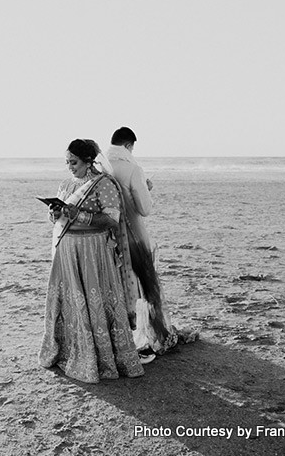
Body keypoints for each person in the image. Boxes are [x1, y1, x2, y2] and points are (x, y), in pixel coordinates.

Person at [38, 139, 145, 383]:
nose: (69, 167)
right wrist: (54, 213)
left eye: (73, 162)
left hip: (92, 250)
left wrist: (78, 214)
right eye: (67, 162)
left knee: (95, 299)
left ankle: (102, 357)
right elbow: (58, 217)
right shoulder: (66, 184)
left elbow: (111, 220)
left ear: (88, 161)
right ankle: (67, 350)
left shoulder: (104, 184)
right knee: (70, 300)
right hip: (66, 249)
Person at [107, 127, 179, 359]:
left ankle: (121, 335)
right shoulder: (132, 169)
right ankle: (144, 336)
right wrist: (146, 188)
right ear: (129, 146)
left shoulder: (103, 168)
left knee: (119, 286)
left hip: (110, 236)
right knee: (142, 285)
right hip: (134, 235)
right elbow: (144, 209)